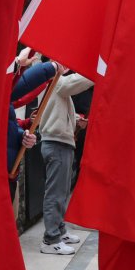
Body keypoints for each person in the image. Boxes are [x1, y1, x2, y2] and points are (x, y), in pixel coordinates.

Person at [35, 64, 94, 255]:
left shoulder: (56, 84)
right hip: (57, 143)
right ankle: (50, 239)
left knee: (61, 192)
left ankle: (59, 231)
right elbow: (72, 83)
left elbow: (56, 110)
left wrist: (76, 119)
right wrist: (97, 71)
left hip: (60, 143)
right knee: (56, 193)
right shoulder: (57, 81)